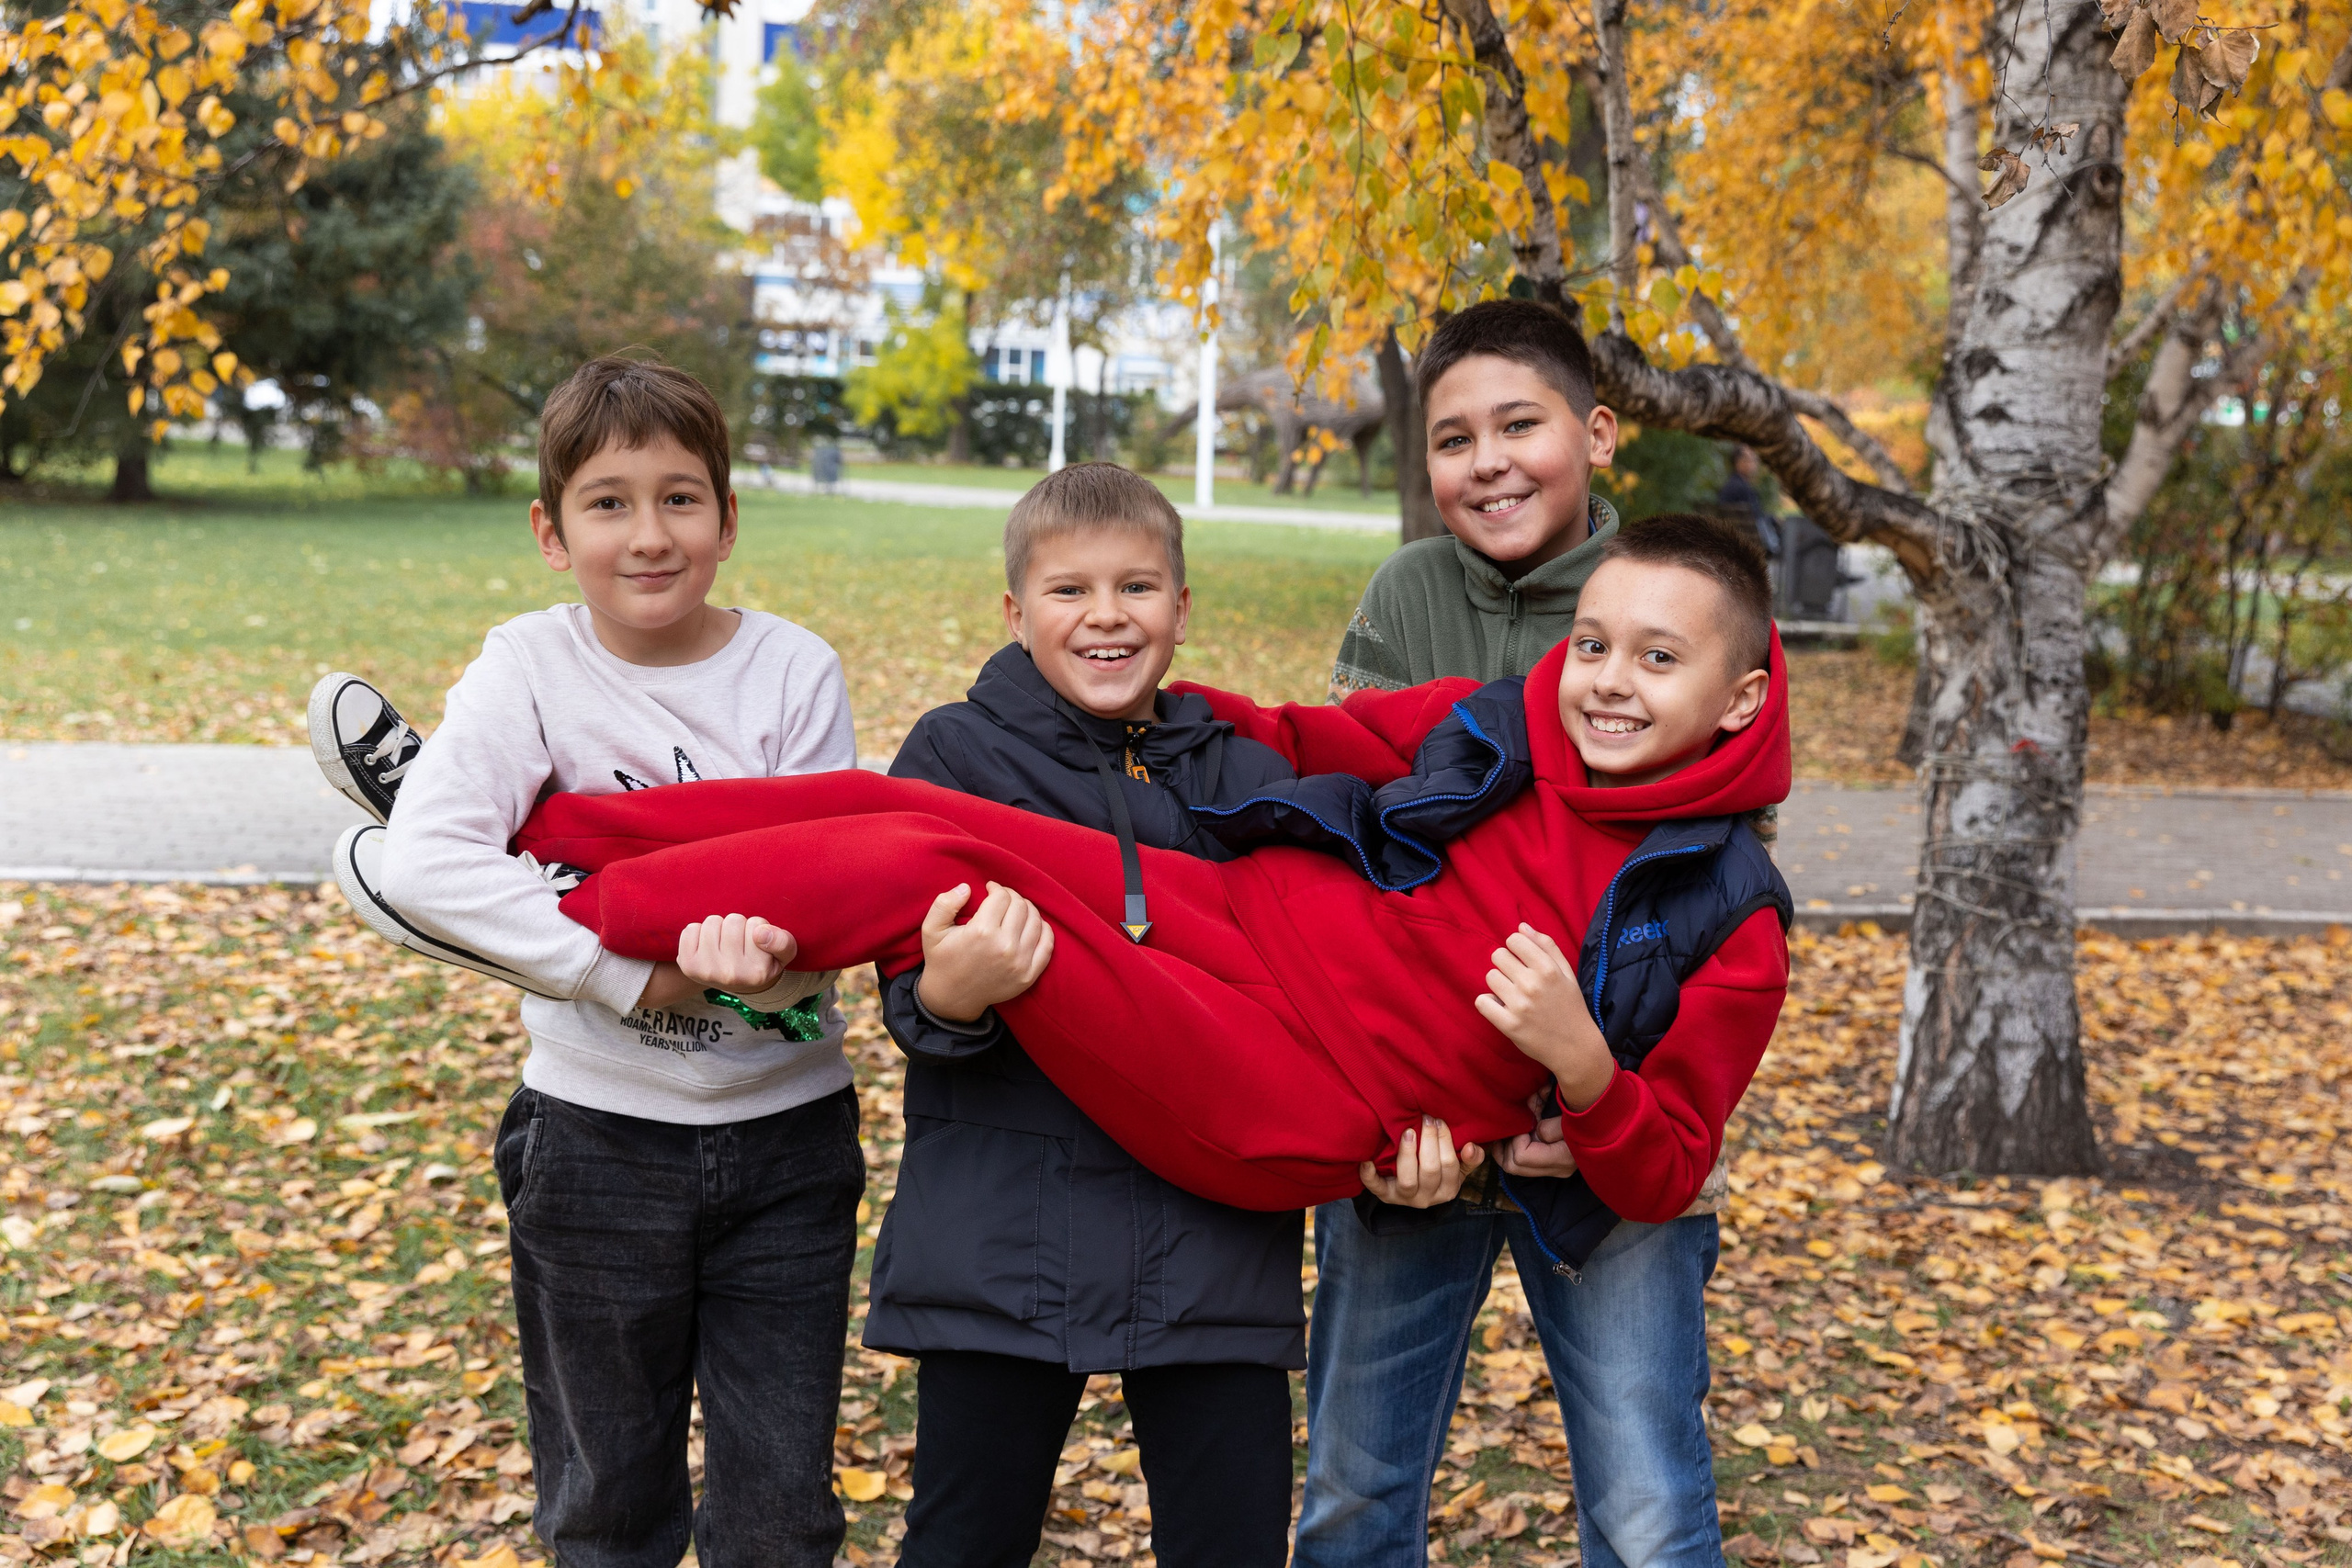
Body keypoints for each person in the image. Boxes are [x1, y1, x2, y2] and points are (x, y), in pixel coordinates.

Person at [511, 518, 1792, 1297]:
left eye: (1659, 659)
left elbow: (1667, 1160)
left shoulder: (1729, 907)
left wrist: (1576, 1060)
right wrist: (1167, 704)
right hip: (1246, 917)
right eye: (1595, 644)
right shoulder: (1512, 720)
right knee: (901, 810)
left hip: (1302, 1084)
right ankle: (540, 838)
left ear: (1738, 699)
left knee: (927, 877)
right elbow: (1319, 731)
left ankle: (561, 917)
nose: (1608, 684)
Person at [308, 355, 865, 1568]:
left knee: (781, 1519)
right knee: (607, 1508)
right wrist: (644, 978)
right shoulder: (529, 664)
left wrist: (759, 965)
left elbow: (823, 914)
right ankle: (550, 875)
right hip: (596, 1141)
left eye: (680, 498)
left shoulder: (792, 671)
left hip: (787, 1142)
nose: (649, 533)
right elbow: (427, 859)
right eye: (608, 502)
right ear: (551, 531)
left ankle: (556, 874)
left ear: (727, 518)